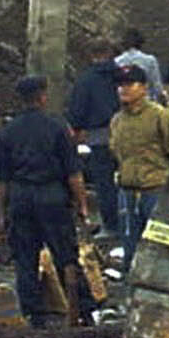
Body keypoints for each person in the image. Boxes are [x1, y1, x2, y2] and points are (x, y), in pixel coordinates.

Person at [0, 75, 91, 325]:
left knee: (25, 258)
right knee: (65, 255)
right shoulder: (57, 127)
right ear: (43, 96)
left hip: (21, 198)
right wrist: (82, 205)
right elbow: (73, 172)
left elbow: (1, 180)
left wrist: (3, 213)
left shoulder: (7, 132)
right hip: (52, 197)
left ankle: (34, 315)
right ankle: (81, 309)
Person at [108, 64, 169, 266]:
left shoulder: (159, 115)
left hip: (155, 191)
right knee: (129, 247)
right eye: (120, 85)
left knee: (156, 249)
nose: (124, 89)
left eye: (130, 84)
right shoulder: (117, 120)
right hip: (127, 193)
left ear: (143, 87)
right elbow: (115, 152)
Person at [64, 40, 120, 239]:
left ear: (92, 55)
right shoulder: (122, 75)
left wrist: (76, 129)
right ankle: (134, 221)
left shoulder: (86, 80)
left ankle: (112, 226)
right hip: (126, 133)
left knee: (104, 183)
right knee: (131, 180)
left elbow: (77, 110)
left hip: (98, 137)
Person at [113, 28, 165, 103]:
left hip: (124, 103)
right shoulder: (150, 60)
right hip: (145, 102)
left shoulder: (116, 62)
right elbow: (157, 87)